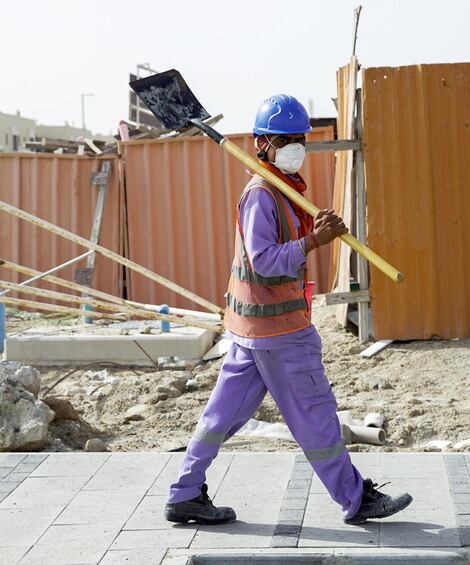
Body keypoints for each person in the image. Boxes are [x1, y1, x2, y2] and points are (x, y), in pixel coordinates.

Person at [164, 94, 412, 526]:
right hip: (279, 334)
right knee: (315, 414)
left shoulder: (281, 191)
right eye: (285, 138)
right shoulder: (263, 195)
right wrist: (315, 242)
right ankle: (355, 498)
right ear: (262, 144)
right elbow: (264, 259)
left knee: (219, 417)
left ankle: (185, 493)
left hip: (251, 331)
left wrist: (314, 232)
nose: (296, 145)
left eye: (300, 138)